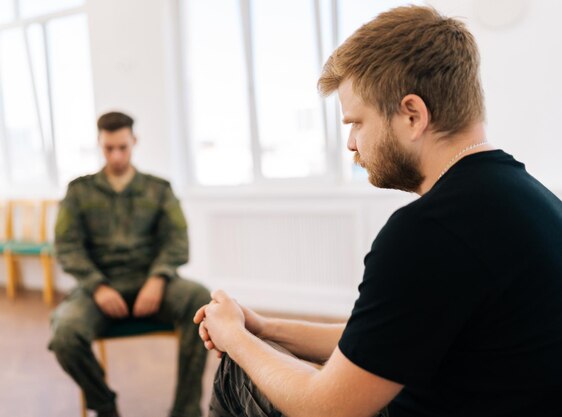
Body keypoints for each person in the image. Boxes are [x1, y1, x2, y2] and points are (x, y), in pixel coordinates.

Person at [194, 6, 562, 417]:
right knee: (267, 352)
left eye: (357, 123)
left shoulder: (428, 232)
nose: (351, 143)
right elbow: (385, 339)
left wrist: (235, 339)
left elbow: (326, 408)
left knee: (237, 371)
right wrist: (263, 329)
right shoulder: (528, 198)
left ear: (412, 115)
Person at [49, 111, 210, 417]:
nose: (116, 155)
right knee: (64, 335)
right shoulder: (78, 191)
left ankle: (186, 410)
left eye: (123, 147)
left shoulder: (159, 189)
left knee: (201, 300)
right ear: (99, 144)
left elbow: (177, 240)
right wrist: (97, 286)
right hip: (99, 287)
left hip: (151, 282)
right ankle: (105, 405)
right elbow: (67, 247)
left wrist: (158, 278)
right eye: (109, 148)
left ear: (134, 141)